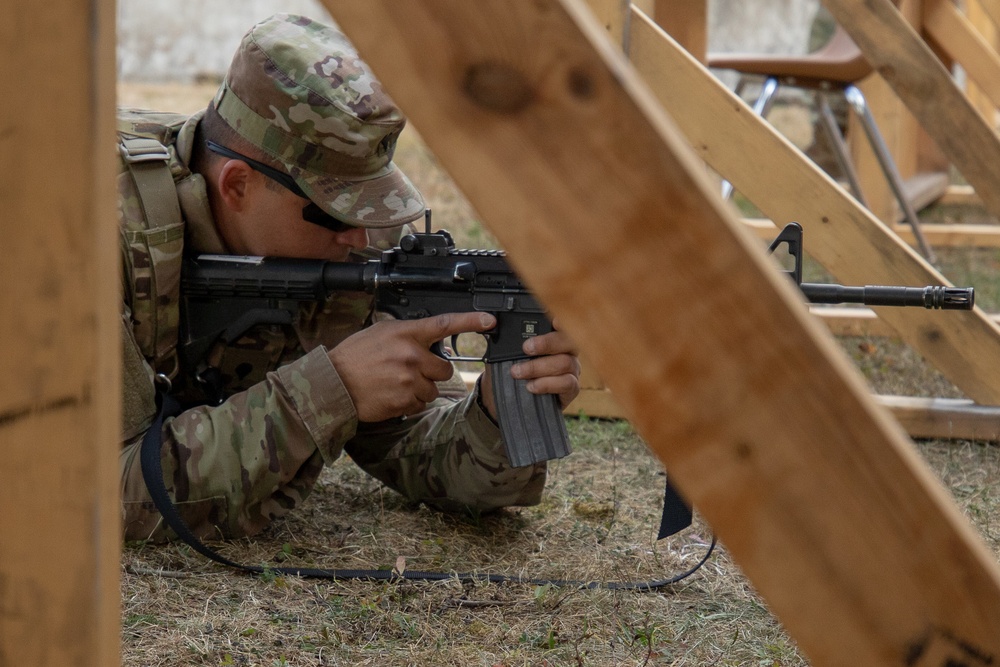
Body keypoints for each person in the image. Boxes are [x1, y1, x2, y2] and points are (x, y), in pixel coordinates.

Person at [116, 13, 580, 542]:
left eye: (371, 205)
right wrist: (328, 392)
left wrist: (495, 415)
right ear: (238, 186)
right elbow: (97, 496)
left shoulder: (361, 245)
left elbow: (416, 451)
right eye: (337, 212)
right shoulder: (91, 237)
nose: (361, 237)